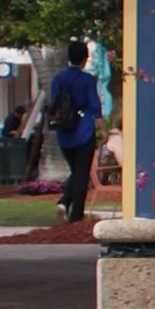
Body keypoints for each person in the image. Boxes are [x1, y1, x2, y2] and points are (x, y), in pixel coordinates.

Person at [49, 40, 105, 223]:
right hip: (83, 130)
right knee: (82, 173)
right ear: (84, 59)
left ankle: (65, 203)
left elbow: (55, 103)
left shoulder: (57, 80)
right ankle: (75, 214)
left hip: (64, 131)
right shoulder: (86, 80)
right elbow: (95, 106)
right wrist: (103, 130)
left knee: (76, 170)